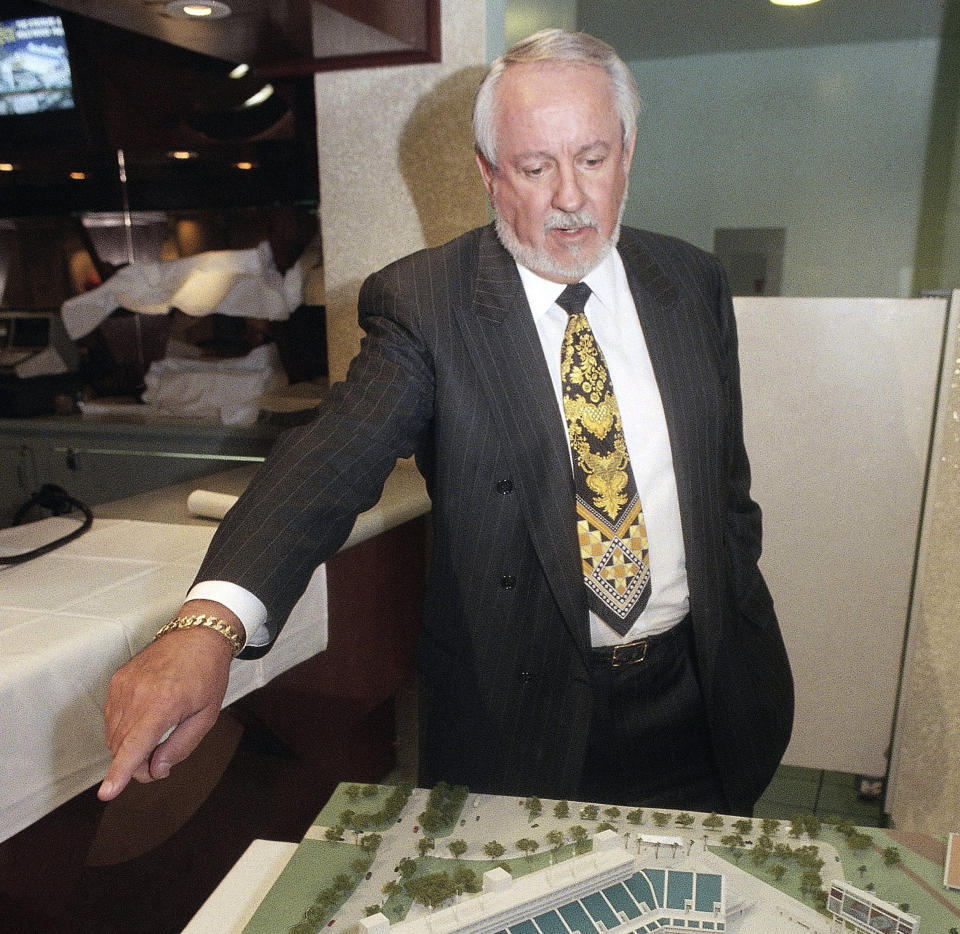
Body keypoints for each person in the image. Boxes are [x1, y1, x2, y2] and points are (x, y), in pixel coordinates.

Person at [99, 28, 793, 816]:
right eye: (535, 168)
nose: (570, 196)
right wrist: (209, 625)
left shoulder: (692, 282)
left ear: (628, 152)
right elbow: (332, 459)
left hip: (700, 696)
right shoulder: (426, 305)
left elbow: (724, 486)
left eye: (594, 160)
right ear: (490, 175)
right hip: (524, 718)